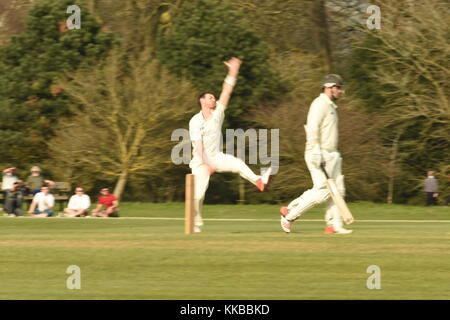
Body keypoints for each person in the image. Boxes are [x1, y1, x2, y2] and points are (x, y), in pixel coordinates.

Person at [188, 57, 272, 233]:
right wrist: (207, 164)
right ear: (202, 101)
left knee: (238, 164)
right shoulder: (195, 121)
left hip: (217, 156)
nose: (214, 99)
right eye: (210, 98)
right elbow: (198, 145)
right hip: (200, 161)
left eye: (213, 98)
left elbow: (226, 92)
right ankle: (194, 224)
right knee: (198, 195)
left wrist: (233, 71)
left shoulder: (218, 112)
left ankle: (258, 180)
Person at [279, 74, 352, 234]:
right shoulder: (319, 104)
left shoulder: (331, 106)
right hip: (318, 153)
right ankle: (289, 216)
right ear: (328, 87)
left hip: (332, 154)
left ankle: (334, 225)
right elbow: (312, 127)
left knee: (338, 190)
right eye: (338, 88)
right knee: (323, 192)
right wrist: (316, 151)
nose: (340, 91)